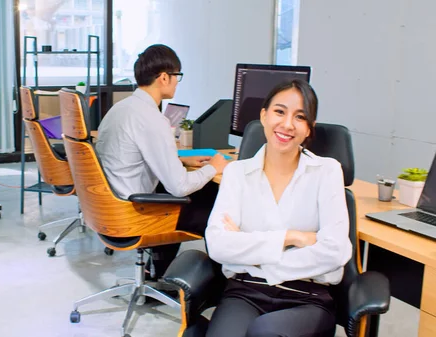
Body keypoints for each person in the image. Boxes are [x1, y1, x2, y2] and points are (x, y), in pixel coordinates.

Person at [205, 79, 353, 337]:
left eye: (300, 117)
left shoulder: (327, 171)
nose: (287, 124)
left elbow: (336, 252)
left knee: (265, 333)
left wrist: (252, 254)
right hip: (245, 291)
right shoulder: (237, 173)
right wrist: (291, 237)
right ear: (263, 116)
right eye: (279, 111)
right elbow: (218, 244)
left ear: (309, 129)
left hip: (307, 297)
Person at [95, 44, 229, 278]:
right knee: (219, 209)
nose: (178, 81)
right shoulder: (152, 119)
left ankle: (158, 272)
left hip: (111, 208)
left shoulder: (121, 109)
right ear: (164, 77)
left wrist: (177, 159)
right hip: (134, 213)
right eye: (178, 76)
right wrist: (214, 167)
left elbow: (132, 154)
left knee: (204, 193)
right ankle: (218, 288)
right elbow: (179, 187)